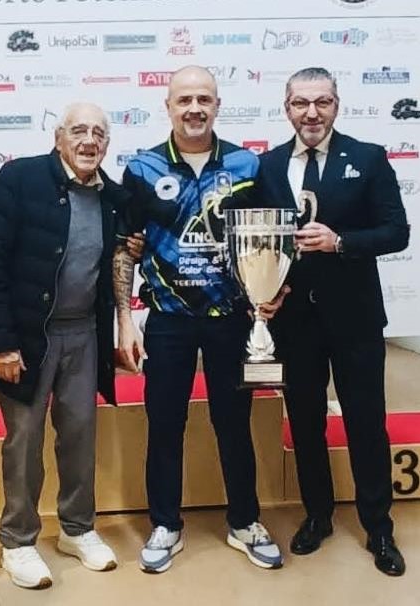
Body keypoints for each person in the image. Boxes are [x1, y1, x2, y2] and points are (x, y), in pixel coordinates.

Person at [113, 65, 285, 574]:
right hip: (168, 319)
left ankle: (244, 521)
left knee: (233, 423)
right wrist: (124, 319)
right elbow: (124, 247)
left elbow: (277, 235)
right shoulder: (142, 168)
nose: (194, 109)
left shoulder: (247, 164)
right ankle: (166, 525)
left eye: (203, 99)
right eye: (184, 100)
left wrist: (273, 292)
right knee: (165, 423)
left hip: (231, 318)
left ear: (217, 105)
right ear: (168, 106)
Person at [257, 67, 409, 576]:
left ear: (336, 105)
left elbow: (396, 231)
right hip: (295, 321)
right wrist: (264, 291)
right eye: (301, 103)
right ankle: (317, 516)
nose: (312, 113)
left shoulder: (368, 158)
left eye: (321, 102)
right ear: (287, 108)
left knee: (366, 423)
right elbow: (259, 241)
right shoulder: (267, 165)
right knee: (305, 423)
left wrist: (341, 242)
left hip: (355, 319)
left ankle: (379, 527)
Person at [0, 102, 126, 589]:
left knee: (80, 436)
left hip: (84, 334)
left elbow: (120, 258)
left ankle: (77, 529)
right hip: (28, 338)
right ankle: (18, 541)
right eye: (78, 131)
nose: (89, 141)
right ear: (58, 138)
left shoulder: (113, 195)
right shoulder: (19, 179)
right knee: (24, 443)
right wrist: (1, 342)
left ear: (107, 144)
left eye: (99, 133)